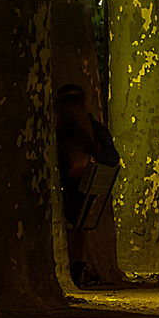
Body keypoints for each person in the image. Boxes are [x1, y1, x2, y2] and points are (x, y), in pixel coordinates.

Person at [55, 84, 120, 288]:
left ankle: (76, 269)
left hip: (74, 203)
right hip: (80, 205)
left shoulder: (88, 130)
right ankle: (77, 269)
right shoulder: (80, 130)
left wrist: (90, 161)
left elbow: (111, 157)